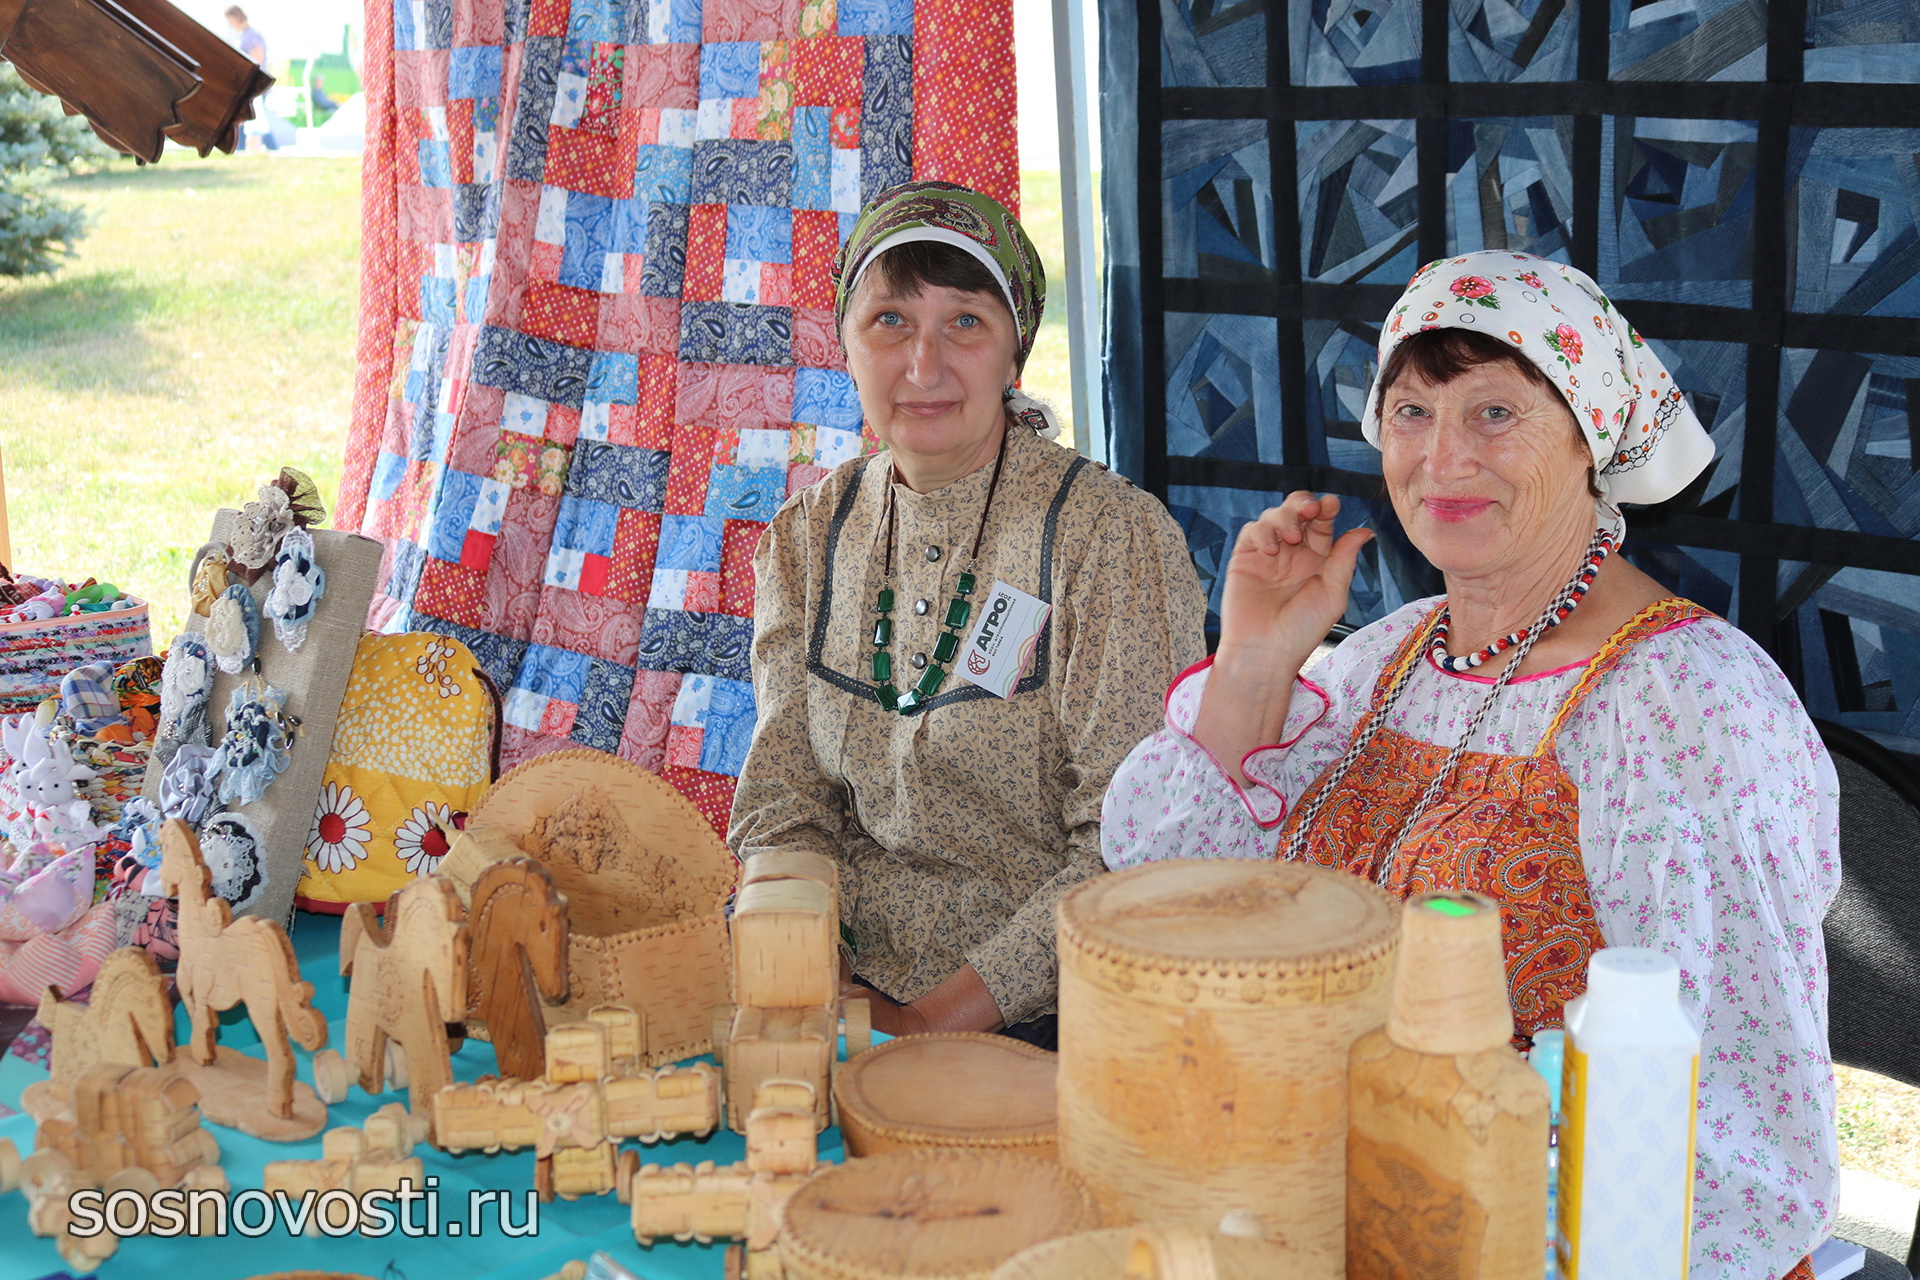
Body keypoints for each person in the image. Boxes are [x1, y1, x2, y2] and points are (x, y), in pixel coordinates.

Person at [1103, 250, 1838, 1280]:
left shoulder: (1688, 702)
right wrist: (1257, 659)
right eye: (1410, 411)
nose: (1442, 458)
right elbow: (1173, 902)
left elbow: (1727, 1106)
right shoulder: (1388, 656)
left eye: (1495, 412)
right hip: (1336, 1204)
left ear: (1591, 439)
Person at [729, 181, 1207, 1048]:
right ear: (845, 344)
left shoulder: (1106, 539)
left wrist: (923, 1027)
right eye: (891, 323)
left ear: (1013, 353)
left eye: (964, 323)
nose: (925, 366)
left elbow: (1131, 843)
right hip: (851, 997)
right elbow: (785, 796)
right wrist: (818, 981)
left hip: (1055, 1017)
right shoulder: (806, 539)